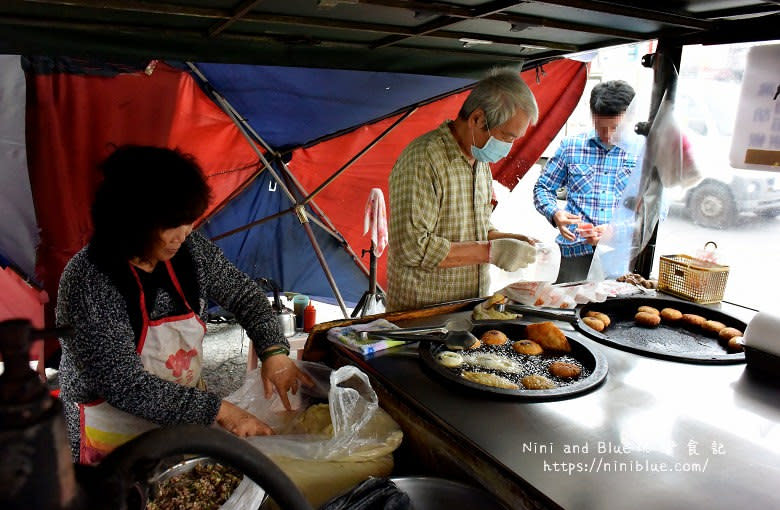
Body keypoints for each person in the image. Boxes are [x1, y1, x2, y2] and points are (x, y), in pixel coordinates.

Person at [56, 145, 313, 464]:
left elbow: (245, 295)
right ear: (130, 223)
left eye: (188, 221)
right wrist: (220, 411)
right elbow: (125, 385)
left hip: (182, 420)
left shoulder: (191, 252)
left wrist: (273, 351)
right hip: (111, 433)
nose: (184, 233)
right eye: (170, 225)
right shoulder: (89, 281)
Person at [387, 68, 539, 312]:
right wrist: (492, 252)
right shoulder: (424, 159)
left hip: (468, 307)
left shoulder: (480, 161)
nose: (508, 148)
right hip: (421, 314)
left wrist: (505, 241)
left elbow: (474, 228)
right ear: (477, 119)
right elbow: (411, 247)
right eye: (507, 137)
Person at [533, 80, 637, 283]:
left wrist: (616, 231)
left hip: (619, 258)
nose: (607, 135)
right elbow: (543, 188)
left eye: (615, 128)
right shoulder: (571, 146)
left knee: (612, 312)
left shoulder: (642, 152)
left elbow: (655, 209)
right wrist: (555, 213)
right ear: (591, 116)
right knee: (567, 308)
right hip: (574, 252)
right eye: (600, 127)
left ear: (630, 118)